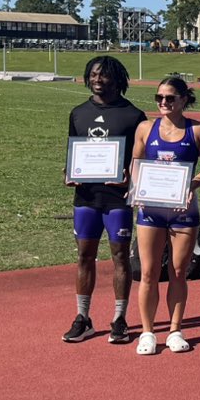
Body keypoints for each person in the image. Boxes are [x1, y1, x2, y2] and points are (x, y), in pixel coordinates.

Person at [62, 56, 146, 344]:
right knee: (84, 256)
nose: (97, 80)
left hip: (117, 199)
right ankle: (82, 317)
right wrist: (69, 173)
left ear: (117, 79)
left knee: (120, 256)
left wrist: (130, 179)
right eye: (94, 74)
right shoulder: (78, 113)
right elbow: (72, 152)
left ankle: (119, 318)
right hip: (85, 197)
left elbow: (140, 160)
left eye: (104, 75)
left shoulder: (133, 116)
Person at [130, 76, 200, 356]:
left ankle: (175, 330)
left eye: (169, 98)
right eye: (159, 98)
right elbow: (136, 163)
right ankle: (147, 332)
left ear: (183, 100)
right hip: (151, 210)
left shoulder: (198, 130)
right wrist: (138, 189)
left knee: (178, 271)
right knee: (148, 272)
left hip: (184, 211)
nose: (163, 102)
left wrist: (191, 186)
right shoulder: (146, 128)